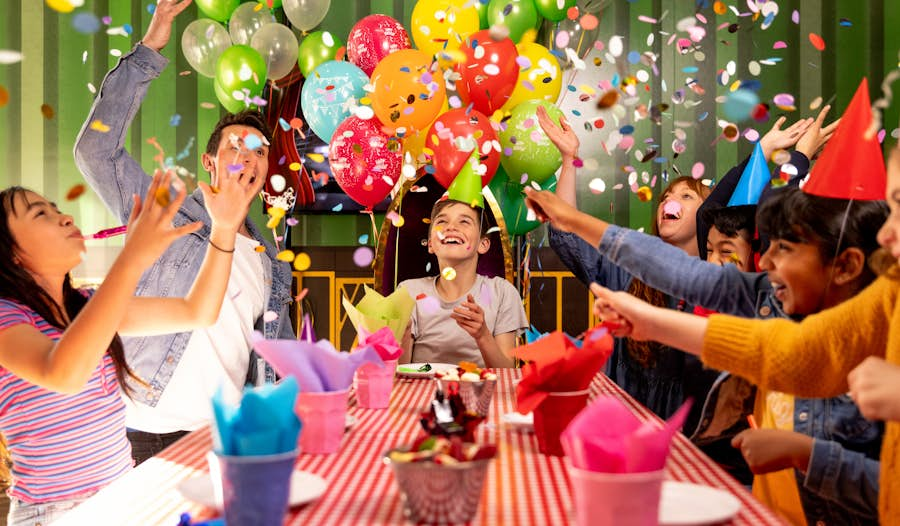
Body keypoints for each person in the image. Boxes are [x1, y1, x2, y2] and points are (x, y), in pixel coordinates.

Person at [585, 141, 900, 525]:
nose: (765, 262)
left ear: (845, 266)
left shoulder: (860, 336)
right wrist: (574, 220)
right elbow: (694, 256)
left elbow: (883, 491)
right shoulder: (770, 299)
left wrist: (804, 453)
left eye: (783, 248)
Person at [72, 0, 295, 464]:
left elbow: (274, 348)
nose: (249, 156)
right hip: (150, 428)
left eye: (259, 150)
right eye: (237, 144)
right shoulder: (165, 212)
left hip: (228, 434)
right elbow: (96, 151)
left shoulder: (270, 256)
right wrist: (150, 48)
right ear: (209, 164)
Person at [0, 168, 255, 525]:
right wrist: (132, 258)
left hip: (119, 501)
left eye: (56, 208)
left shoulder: (91, 305)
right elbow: (62, 374)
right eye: (41, 213)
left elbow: (198, 310)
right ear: (10, 253)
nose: (65, 217)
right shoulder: (5, 316)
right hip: (51, 516)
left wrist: (225, 228)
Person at [537, 105, 715, 425]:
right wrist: (568, 159)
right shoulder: (630, 267)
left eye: (687, 196)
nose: (668, 202)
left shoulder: (716, 284)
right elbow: (566, 235)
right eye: (666, 197)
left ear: (707, 215)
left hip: (681, 431)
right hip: (618, 419)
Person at [399, 198, 528, 368]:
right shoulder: (409, 291)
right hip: (424, 392)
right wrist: (403, 332)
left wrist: (483, 336)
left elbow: (506, 371)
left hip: (481, 391)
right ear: (431, 244)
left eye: (464, 221)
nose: (451, 227)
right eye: (442, 221)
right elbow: (398, 374)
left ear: (483, 244)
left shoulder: (502, 292)